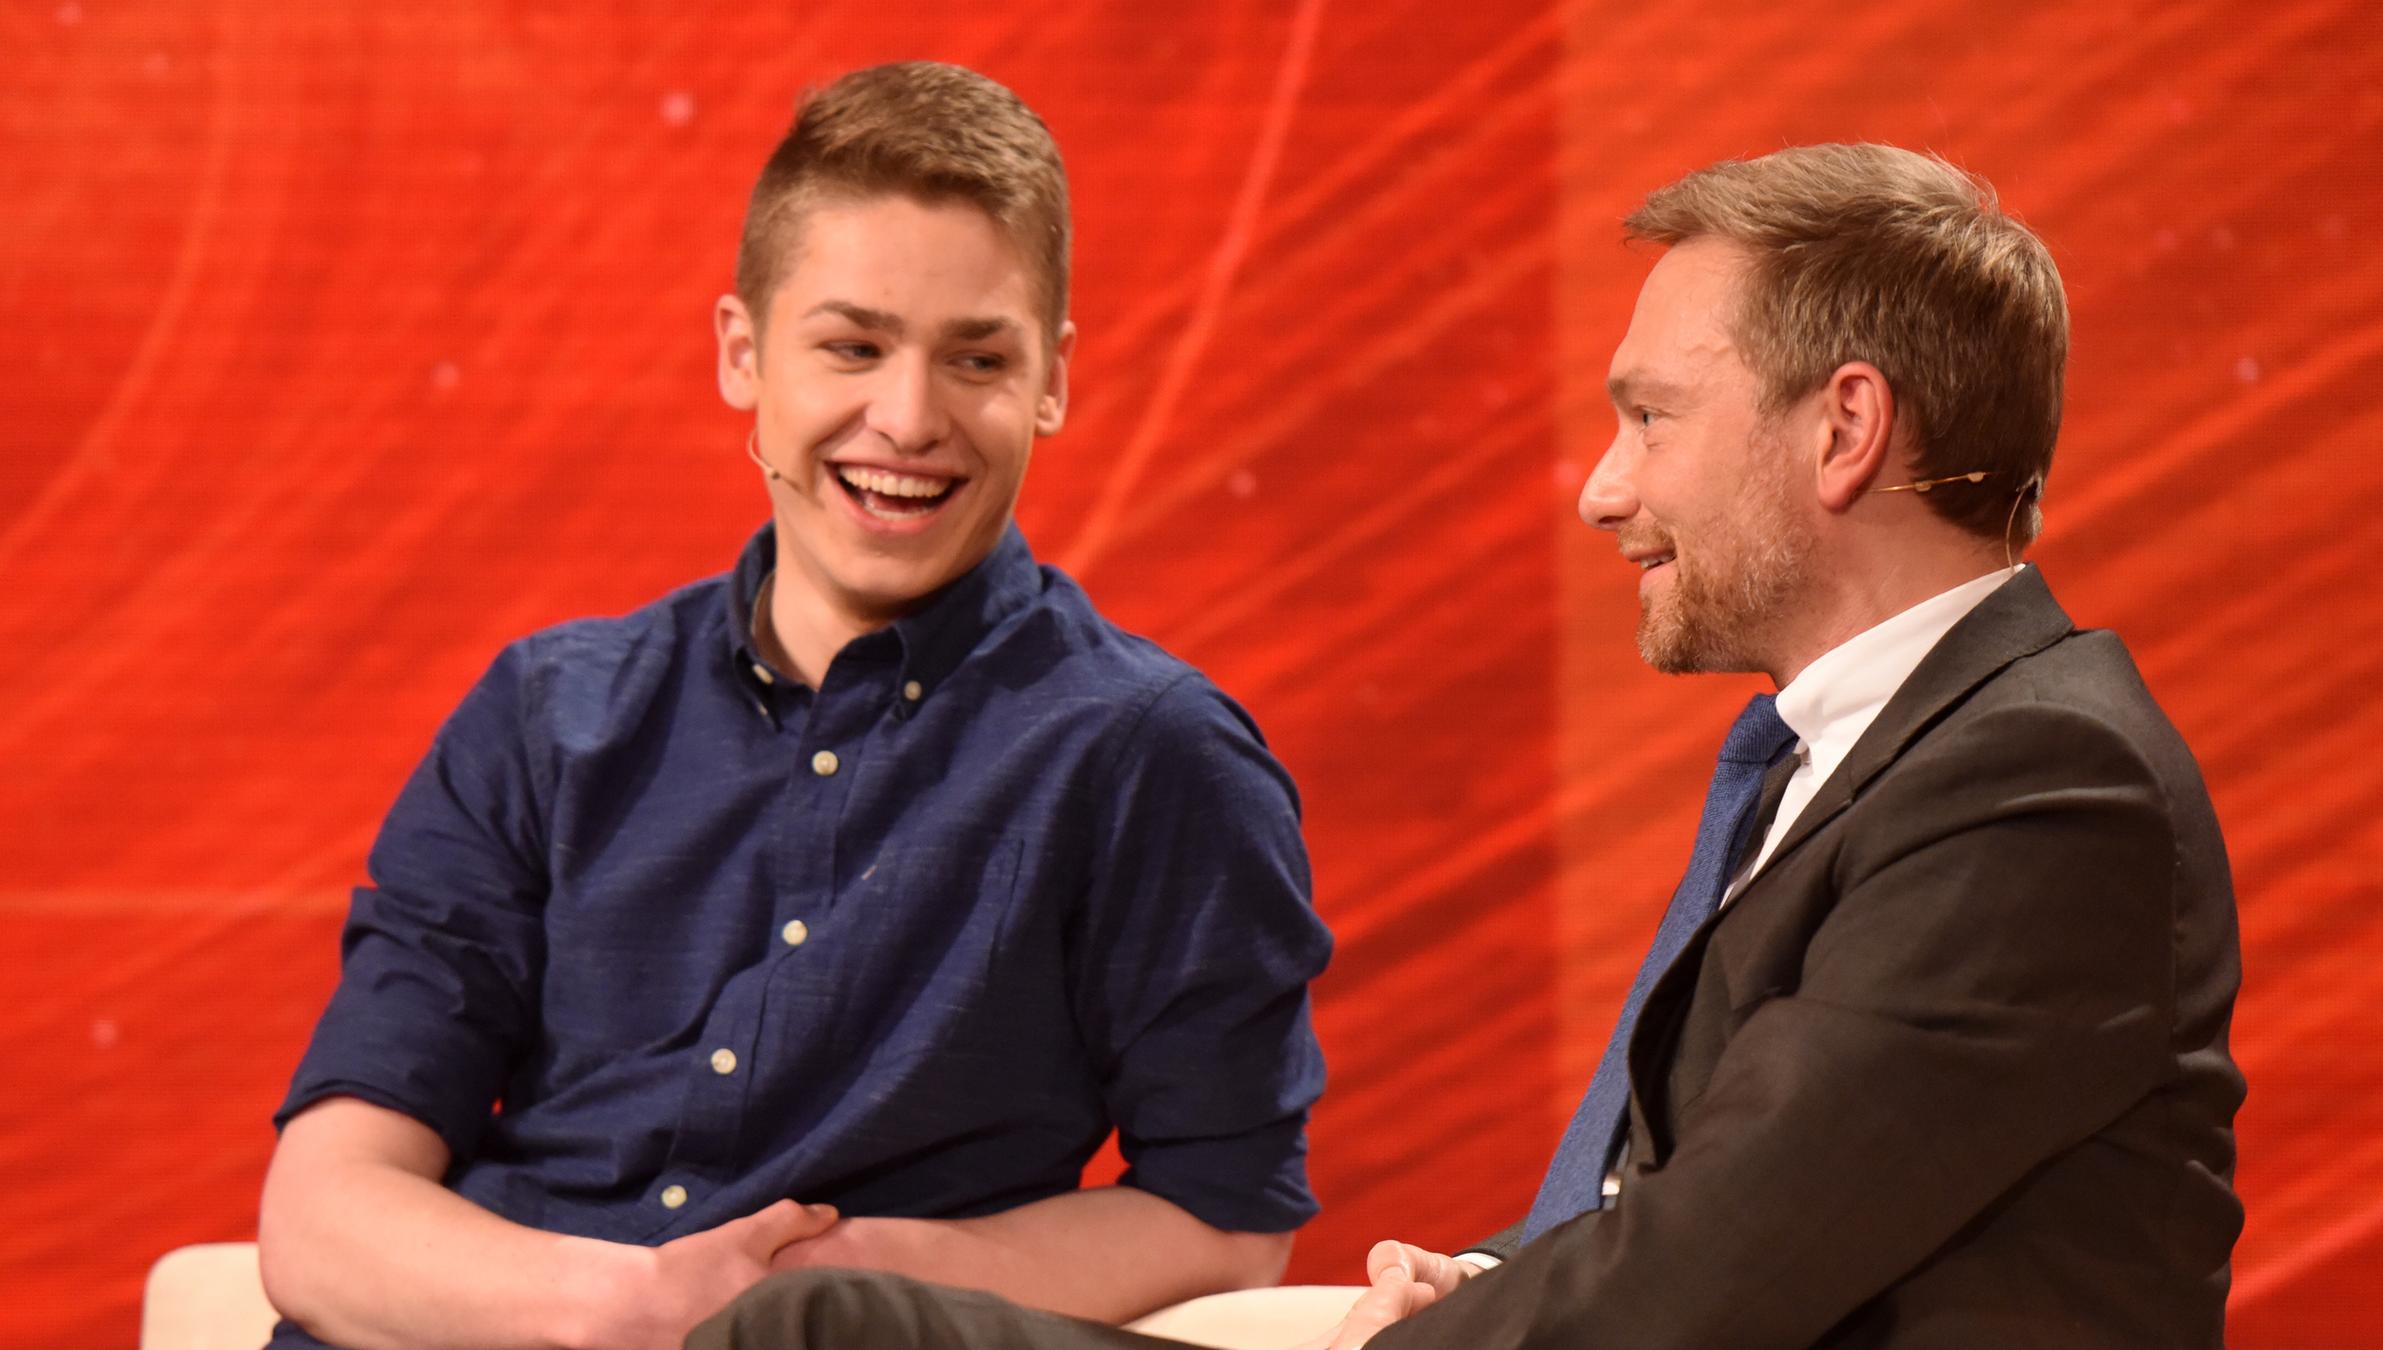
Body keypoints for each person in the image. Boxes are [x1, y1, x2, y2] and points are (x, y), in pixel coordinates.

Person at [689, 143, 2245, 1349]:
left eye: (1652, 418)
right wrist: (1486, 1276)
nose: (1604, 489)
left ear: (1844, 430)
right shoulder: (1885, 751)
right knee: (828, 1325)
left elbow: (1704, 1272)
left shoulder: (2041, 787)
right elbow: (1697, 1207)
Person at [255, 62, 1333, 1350]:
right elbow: (321, 1212)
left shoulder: (1151, 756)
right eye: (853, 346)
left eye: (976, 358)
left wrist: (876, 1292)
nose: (909, 417)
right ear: (742, 353)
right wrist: (640, 1308)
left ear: (1051, 380)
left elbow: (1226, 1214)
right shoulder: (543, 716)